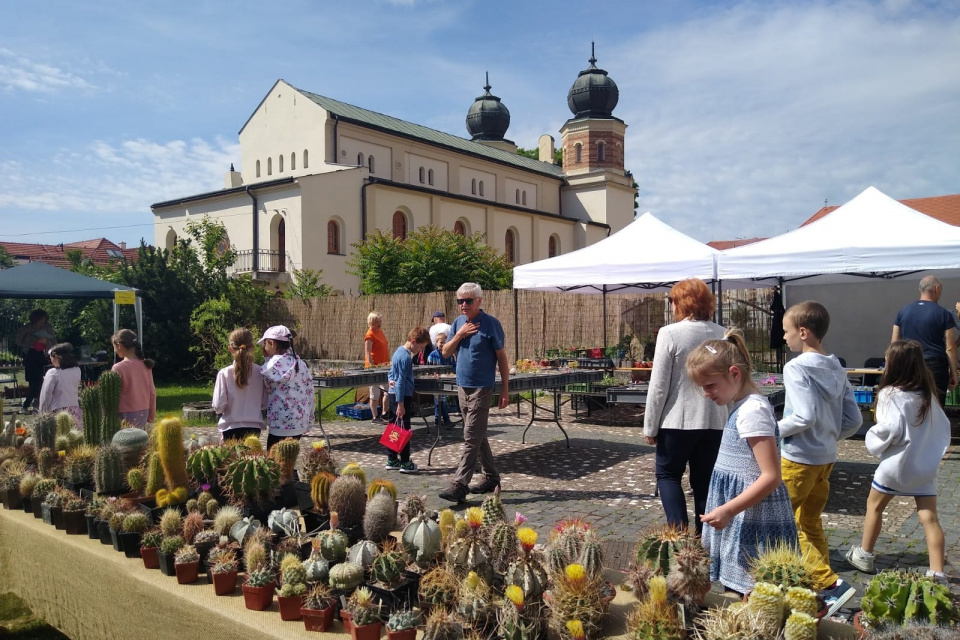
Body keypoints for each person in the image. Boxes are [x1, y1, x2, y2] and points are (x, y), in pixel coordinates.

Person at [686, 329, 798, 596]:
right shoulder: (742, 406)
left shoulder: (753, 411)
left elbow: (771, 476)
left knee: (752, 592)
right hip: (741, 515)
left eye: (710, 386)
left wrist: (728, 510)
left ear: (734, 374)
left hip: (753, 519)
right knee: (740, 590)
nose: (706, 394)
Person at [778, 301, 862, 616]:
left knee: (784, 522)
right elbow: (853, 421)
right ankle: (822, 588)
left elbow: (802, 415)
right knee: (809, 522)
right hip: (825, 460)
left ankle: (829, 585)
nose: (784, 339)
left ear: (803, 332)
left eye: (786, 332)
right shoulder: (837, 367)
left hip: (798, 459)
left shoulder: (795, 367)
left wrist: (772, 431)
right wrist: (828, 437)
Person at [846, 340, 950, 584]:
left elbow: (888, 429)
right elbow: (942, 428)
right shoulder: (928, 395)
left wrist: (872, 440)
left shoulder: (889, 394)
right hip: (923, 467)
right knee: (929, 518)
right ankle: (937, 573)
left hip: (895, 465)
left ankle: (865, 554)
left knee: (874, 506)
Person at [643, 278, 727, 536]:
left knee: (668, 476)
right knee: (705, 481)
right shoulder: (722, 333)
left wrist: (650, 424)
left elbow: (659, 385)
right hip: (715, 419)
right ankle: (706, 539)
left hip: (676, 420)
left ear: (680, 303)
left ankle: (678, 536)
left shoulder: (670, 333)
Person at [438, 283, 510, 503]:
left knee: (470, 436)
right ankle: (492, 477)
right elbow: (445, 352)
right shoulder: (459, 323)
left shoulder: (491, 325)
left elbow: (502, 358)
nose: (463, 305)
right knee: (478, 434)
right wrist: (459, 334)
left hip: (482, 387)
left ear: (479, 300)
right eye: (460, 301)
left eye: (468, 301)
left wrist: (505, 388)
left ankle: (460, 484)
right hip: (462, 386)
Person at [892, 275, 957, 406]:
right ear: (937, 288)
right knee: (934, 408)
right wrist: (953, 374)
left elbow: (894, 343)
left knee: (911, 406)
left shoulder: (903, 311)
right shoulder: (944, 314)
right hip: (934, 365)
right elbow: (950, 347)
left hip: (908, 364)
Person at [384, 326, 431, 473]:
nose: (420, 351)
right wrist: (401, 404)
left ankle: (392, 458)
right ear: (413, 341)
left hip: (393, 394)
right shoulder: (405, 358)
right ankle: (405, 461)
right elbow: (400, 381)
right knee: (404, 429)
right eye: (421, 347)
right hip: (401, 396)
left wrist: (391, 384)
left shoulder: (397, 352)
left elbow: (391, 375)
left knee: (394, 427)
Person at [259, 325, 314, 450]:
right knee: (289, 458)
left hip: (279, 422)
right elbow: (309, 391)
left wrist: (267, 359)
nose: (264, 348)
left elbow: (268, 389)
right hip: (299, 420)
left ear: (271, 343)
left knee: (274, 460)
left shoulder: (269, 367)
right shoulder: (300, 364)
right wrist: (310, 419)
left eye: (265, 344)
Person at [212, 328, 267, 443]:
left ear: (230, 349)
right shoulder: (261, 372)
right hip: (253, 429)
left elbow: (218, 406)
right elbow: (264, 403)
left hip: (230, 428)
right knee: (250, 460)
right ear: (252, 347)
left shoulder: (224, 373)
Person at [111, 329, 156, 429]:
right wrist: (151, 416)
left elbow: (113, 395)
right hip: (144, 412)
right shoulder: (145, 365)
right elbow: (152, 392)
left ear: (120, 346)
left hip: (124, 414)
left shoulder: (117, 368)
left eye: (114, 347)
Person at [16, 309, 56, 413]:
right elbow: (20, 341)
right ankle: (27, 405)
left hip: (38, 366)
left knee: (38, 386)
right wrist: (45, 361)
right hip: (34, 370)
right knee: (35, 387)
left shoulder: (40, 347)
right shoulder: (34, 349)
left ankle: (36, 404)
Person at [39, 342, 83, 430]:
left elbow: (46, 395)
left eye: (50, 357)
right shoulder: (77, 370)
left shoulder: (52, 373)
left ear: (55, 357)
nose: (50, 360)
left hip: (57, 412)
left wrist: (42, 414)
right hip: (75, 411)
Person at [364, 311, 390, 424]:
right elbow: (367, 352)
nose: (379, 324)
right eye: (376, 322)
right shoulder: (369, 335)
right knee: (374, 393)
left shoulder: (380, 332)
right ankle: (375, 416)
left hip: (385, 365)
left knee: (388, 391)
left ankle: (385, 413)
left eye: (380, 321)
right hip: (375, 367)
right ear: (371, 323)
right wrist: (371, 366)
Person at [427, 331, 456, 428]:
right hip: (436, 382)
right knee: (440, 400)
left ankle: (437, 420)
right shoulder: (432, 355)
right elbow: (428, 369)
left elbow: (453, 367)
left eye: (445, 342)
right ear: (436, 343)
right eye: (441, 342)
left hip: (446, 381)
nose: (443, 344)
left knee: (441, 401)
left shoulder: (449, 355)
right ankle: (445, 420)